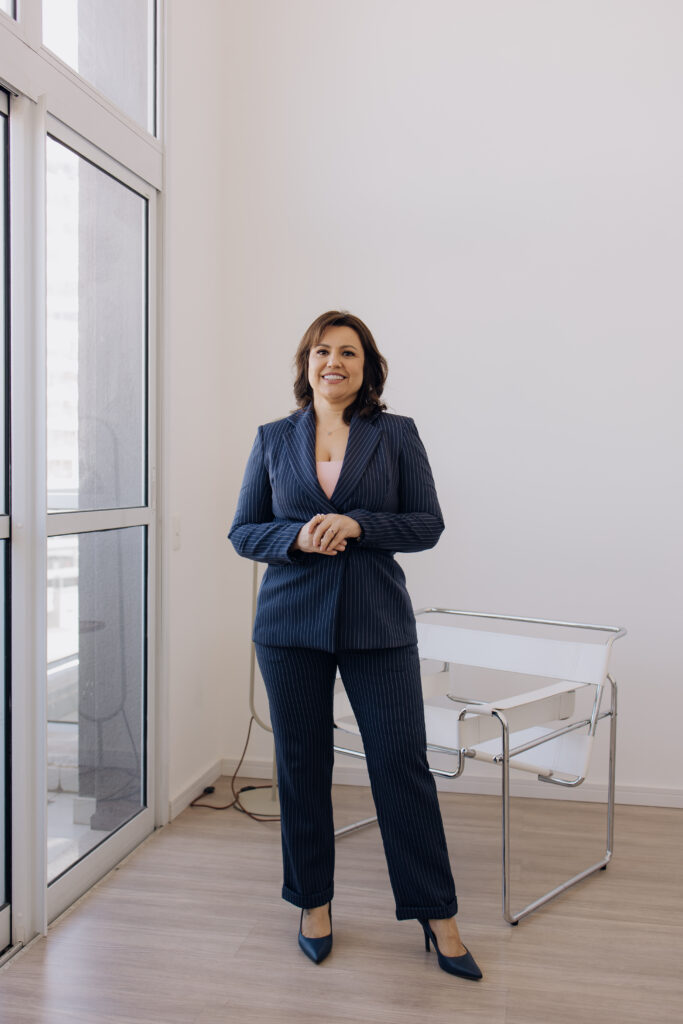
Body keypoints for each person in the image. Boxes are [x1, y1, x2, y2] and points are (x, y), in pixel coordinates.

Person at [228, 310, 482, 981]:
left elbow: (426, 523)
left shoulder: (395, 434)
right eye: (321, 351)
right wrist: (294, 537)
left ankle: (437, 913)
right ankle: (312, 903)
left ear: (366, 367)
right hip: (288, 627)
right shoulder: (273, 438)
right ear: (305, 363)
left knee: (400, 765)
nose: (332, 362)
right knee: (301, 765)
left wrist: (358, 525)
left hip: (377, 624)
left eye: (347, 352)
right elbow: (243, 532)